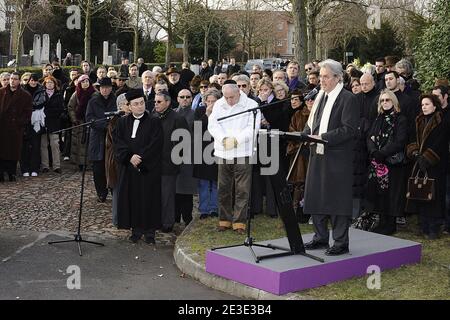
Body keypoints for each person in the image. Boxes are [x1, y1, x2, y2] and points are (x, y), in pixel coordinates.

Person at [301, 59, 359, 256]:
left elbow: (348, 130)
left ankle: (341, 242)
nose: (322, 81)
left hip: (337, 157)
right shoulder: (320, 97)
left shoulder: (348, 99)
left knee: (337, 200)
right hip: (317, 155)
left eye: (326, 77)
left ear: (337, 77)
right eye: (320, 77)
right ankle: (320, 237)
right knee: (315, 195)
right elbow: (312, 123)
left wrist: (322, 138)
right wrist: (304, 134)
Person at [208, 83, 261, 233]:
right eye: (226, 97)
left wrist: (237, 140)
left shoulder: (251, 105)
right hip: (223, 151)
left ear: (239, 92)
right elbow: (213, 125)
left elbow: (253, 127)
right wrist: (223, 138)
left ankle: (239, 222)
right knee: (223, 187)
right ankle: (224, 220)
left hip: (243, 151)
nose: (229, 100)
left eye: (232, 97)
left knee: (242, 189)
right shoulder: (219, 104)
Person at [114, 89, 163, 244]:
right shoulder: (122, 122)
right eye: (136, 104)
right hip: (129, 169)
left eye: (142, 103)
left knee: (149, 199)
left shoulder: (154, 121)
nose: (140, 106)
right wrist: (130, 157)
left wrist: (140, 159)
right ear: (129, 106)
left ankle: (150, 232)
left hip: (148, 169)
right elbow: (118, 142)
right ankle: (136, 230)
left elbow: (155, 144)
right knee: (133, 199)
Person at [365, 89, 408, 235]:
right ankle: (382, 222)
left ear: (393, 101)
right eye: (382, 100)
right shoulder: (378, 118)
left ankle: (390, 224)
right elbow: (370, 137)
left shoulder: (400, 119)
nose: (384, 103)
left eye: (387, 100)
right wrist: (374, 152)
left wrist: (382, 153)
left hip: (392, 163)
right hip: (378, 163)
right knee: (380, 193)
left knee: (392, 194)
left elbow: (400, 141)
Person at [406, 94, 448, 239]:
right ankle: (423, 225)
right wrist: (415, 153)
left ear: (434, 106)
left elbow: (441, 143)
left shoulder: (441, 121)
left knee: (434, 196)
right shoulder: (418, 120)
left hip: (435, 165)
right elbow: (411, 139)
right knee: (420, 194)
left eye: (427, 104)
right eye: (422, 104)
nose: (424, 107)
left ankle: (434, 228)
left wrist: (427, 158)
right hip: (419, 163)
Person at [152, 90, 189, 233]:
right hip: (154, 164)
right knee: (156, 194)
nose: (156, 104)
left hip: (169, 164)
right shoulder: (153, 116)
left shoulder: (177, 118)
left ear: (167, 102)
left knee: (167, 195)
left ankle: (167, 223)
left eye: (159, 101)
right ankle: (156, 220)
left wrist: (176, 161)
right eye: (155, 101)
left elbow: (184, 142)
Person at [85, 77, 117, 202]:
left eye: (107, 87)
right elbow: (89, 118)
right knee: (98, 167)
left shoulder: (115, 100)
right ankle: (101, 192)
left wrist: (111, 126)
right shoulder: (93, 101)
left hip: (112, 137)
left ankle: (114, 190)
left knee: (112, 165)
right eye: (102, 88)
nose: (105, 90)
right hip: (97, 137)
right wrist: (105, 125)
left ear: (111, 88)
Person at [193, 88, 221, 219]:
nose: (210, 104)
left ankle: (214, 208)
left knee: (215, 181)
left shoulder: (222, 112)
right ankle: (203, 209)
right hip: (202, 150)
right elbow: (196, 128)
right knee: (203, 182)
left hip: (218, 149)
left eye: (213, 101)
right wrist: (206, 115)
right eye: (208, 101)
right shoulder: (199, 111)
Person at [0, 72, 33, 182]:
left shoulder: (25, 95)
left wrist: (18, 123)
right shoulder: (1, 92)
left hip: (15, 128)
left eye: (15, 79)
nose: (12, 81)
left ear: (19, 81)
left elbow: (27, 113)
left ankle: (11, 173)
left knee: (13, 151)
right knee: (1, 150)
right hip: (2, 127)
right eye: (11, 79)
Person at [106, 93, 130, 227]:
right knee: (118, 192)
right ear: (120, 106)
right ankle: (118, 219)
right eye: (128, 104)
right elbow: (118, 143)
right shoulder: (115, 121)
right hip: (117, 161)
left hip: (126, 160)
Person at [33, 76, 65, 174]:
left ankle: (56, 166)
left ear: (54, 84)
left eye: (51, 82)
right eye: (48, 83)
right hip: (43, 122)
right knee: (43, 144)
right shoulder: (41, 94)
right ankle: (45, 165)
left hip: (54, 122)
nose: (49, 84)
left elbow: (60, 109)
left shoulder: (58, 95)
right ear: (45, 84)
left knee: (55, 144)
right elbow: (37, 105)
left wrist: (47, 112)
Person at [68, 74, 96, 170]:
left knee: (90, 142)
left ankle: (89, 163)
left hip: (90, 121)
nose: (85, 83)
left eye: (87, 81)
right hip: (79, 122)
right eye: (83, 82)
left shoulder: (94, 93)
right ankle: (79, 163)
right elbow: (71, 107)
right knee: (80, 143)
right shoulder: (76, 94)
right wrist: (74, 119)